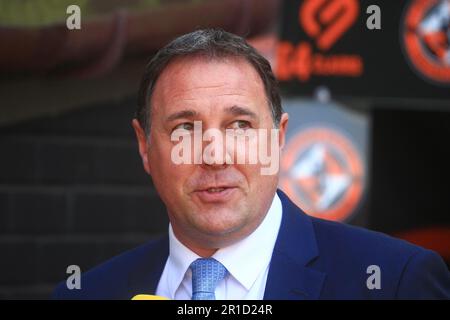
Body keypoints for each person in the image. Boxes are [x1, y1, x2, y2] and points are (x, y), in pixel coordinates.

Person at [53, 29, 450, 300]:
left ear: (277, 138)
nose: (214, 155)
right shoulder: (89, 293)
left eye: (240, 125)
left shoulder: (394, 281)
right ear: (144, 146)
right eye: (185, 128)